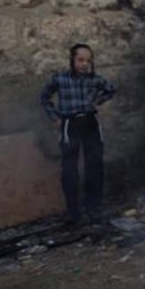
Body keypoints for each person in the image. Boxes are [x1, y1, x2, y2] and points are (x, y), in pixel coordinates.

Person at [40, 43, 116, 224]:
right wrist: (55, 118)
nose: (84, 64)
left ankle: (93, 208)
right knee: (70, 170)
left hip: (90, 122)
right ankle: (73, 212)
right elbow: (44, 97)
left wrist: (97, 101)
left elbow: (110, 89)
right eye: (80, 60)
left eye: (88, 60)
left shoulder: (94, 79)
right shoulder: (60, 79)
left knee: (95, 165)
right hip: (70, 123)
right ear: (72, 60)